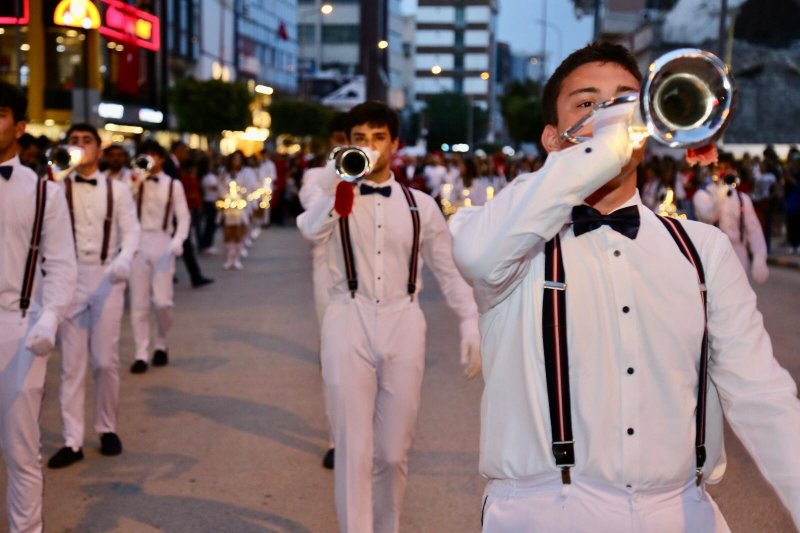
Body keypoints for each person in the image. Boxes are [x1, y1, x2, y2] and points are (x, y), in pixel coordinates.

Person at [450, 43, 800, 531]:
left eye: (625, 102)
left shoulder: (704, 248)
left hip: (683, 511)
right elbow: (475, 255)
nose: (612, 115)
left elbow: (762, 395)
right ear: (552, 137)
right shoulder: (502, 236)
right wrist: (600, 146)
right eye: (588, 103)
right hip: (543, 512)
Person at [297, 101, 482, 533]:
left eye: (379, 138)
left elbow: (448, 271)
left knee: (394, 452)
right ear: (349, 144)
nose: (370, 146)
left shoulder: (422, 206)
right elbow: (309, 229)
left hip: (405, 319)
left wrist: (469, 319)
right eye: (360, 139)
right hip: (347, 316)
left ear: (395, 144)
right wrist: (341, 185)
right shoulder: (335, 199)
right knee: (353, 449)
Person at [0, 81, 77, 532]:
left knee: (21, 451)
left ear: (20, 127)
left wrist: (48, 320)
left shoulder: (44, 191)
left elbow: (63, 266)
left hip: (20, 325)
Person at [47, 124, 140, 469]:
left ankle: (107, 428)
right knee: (71, 365)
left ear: (99, 151)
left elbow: (132, 233)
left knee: (105, 360)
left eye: (86, 141)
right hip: (69, 278)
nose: (80, 146)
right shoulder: (54, 188)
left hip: (105, 276)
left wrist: (123, 262)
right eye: (74, 142)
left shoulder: (119, 190)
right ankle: (72, 440)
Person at [298, 111, 350, 469]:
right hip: (326, 271)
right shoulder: (315, 176)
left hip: (366, 275)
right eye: (341, 139)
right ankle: (336, 438)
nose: (346, 145)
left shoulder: (373, 176)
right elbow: (310, 211)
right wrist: (338, 176)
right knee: (332, 355)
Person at [129, 140, 191, 374]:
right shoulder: (135, 180)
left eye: (154, 155)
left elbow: (184, 217)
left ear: (163, 158)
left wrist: (177, 240)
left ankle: (162, 343)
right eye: (146, 155)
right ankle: (141, 353)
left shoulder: (173, 185)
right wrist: (137, 178)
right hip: (139, 242)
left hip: (163, 241)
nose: (150, 159)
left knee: (162, 302)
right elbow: (123, 202)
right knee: (139, 303)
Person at [693, 153, 769, 283]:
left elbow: (753, 229)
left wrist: (759, 256)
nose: (724, 171)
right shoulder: (702, 195)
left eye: (728, 168)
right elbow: (708, 216)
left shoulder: (743, 198)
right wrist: (721, 197)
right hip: (713, 253)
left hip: (738, 252)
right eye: (720, 168)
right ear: (712, 172)